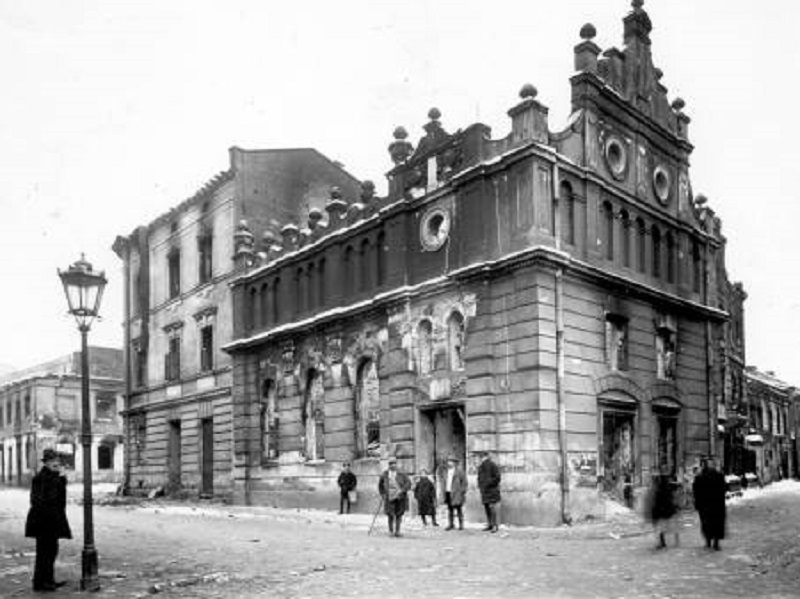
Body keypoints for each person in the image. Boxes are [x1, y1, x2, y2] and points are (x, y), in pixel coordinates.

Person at [25, 449, 72, 592]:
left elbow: (60, 500)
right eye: (52, 461)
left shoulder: (53, 477)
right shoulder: (41, 478)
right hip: (43, 521)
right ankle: (40, 584)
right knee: (45, 553)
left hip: (51, 520)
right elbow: (44, 500)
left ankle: (47, 581)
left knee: (50, 551)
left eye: (57, 461)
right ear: (46, 463)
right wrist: (59, 479)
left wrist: (62, 479)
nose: (56, 463)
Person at [693, 457, 727, 550]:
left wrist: (697, 504)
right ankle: (715, 542)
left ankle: (708, 541)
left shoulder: (699, 477)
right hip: (717, 504)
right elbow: (724, 489)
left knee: (706, 523)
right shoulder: (719, 476)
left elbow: (696, 491)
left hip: (705, 505)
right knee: (717, 523)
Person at [378, 457, 412, 537]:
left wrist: (403, 490)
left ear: (396, 464)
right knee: (390, 514)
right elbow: (380, 485)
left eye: (394, 463)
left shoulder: (402, 473)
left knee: (399, 514)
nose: (393, 465)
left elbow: (408, 483)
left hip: (400, 497)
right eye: (391, 463)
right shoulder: (385, 474)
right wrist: (382, 494)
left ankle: (397, 531)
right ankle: (390, 531)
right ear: (388, 465)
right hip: (389, 497)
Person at [647, 473, 679, 549]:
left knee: (660, 528)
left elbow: (655, 501)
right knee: (671, 526)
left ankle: (663, 542)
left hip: (661, 511)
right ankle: (675, 541)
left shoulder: (658, 490)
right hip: (668, 511)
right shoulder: (668, 488)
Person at [477, 451, 502, 532]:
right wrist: (480, 486)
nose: (480, 459)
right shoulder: (481, 467)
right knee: (487, 508)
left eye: (481, 457)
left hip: (492, 490)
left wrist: (489, 483)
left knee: (492, 508)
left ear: (485, 457)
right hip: (484, 491)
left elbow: (497, 477)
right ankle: (490, 524)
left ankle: (495, 525)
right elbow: (479, 478)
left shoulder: (492, 465)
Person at [441, 456, 467, 531]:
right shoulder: (446, 471)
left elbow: (464, 482)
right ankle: (451, 524)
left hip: (457, 493)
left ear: (455, 463)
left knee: (459, 509)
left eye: (451, 461)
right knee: (450, 509)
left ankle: (461, 524)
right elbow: (443, 481)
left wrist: (462, 491)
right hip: (448, 492)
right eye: (449, 461)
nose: (449, 463)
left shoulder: (460, 471)